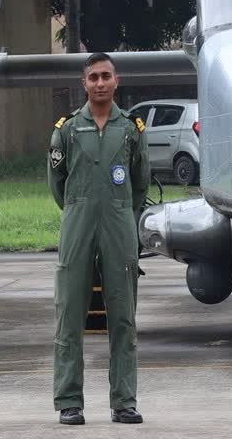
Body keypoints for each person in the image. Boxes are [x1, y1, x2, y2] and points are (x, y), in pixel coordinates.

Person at [48, 52, 150, 425]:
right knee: (70, 314)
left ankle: (124, 401)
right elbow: (56, 184)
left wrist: (120, 211)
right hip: (77, 222)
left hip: (119, 224)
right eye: (94, 77)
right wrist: (78, 208)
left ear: (116, 81)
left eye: (106, 76)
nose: (100, 83)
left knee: (123, 316)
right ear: (84, 84)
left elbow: (140, 184)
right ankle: (69, 401)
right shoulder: (68, 129)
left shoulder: (131, 129)